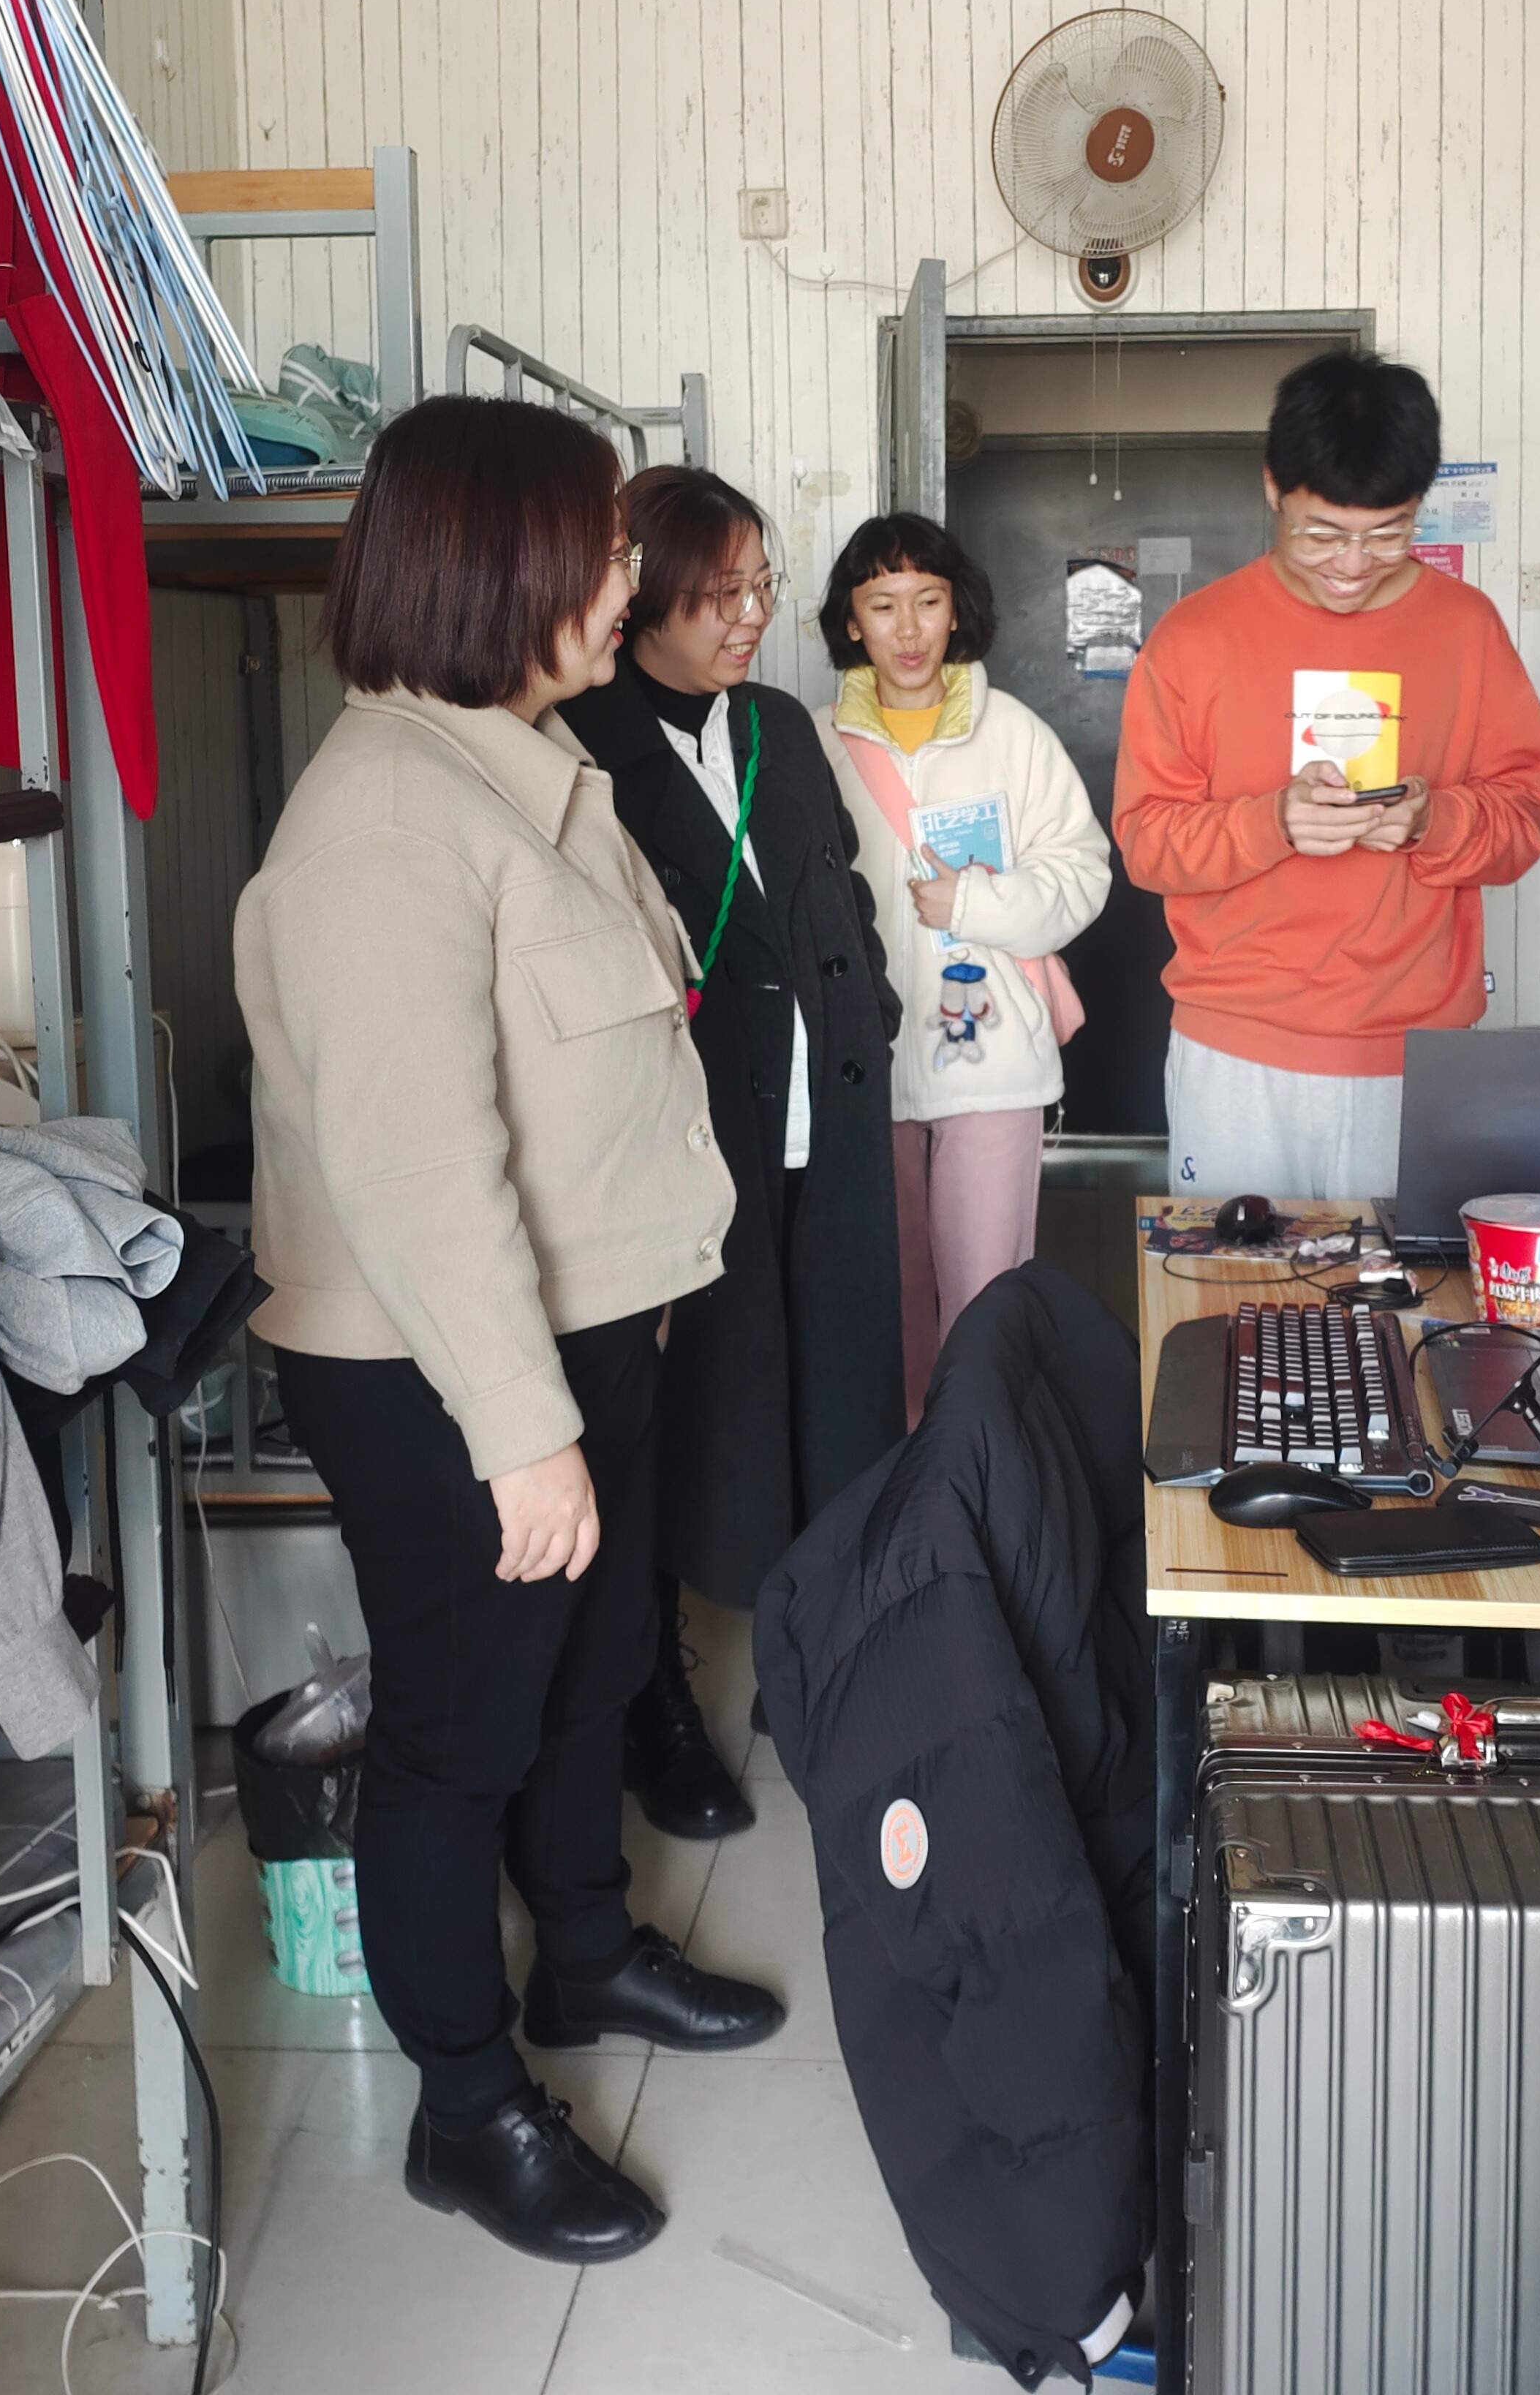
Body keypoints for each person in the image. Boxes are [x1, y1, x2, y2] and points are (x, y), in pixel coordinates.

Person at [234, 399, 784, 2273]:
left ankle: (589, 1953)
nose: (629, 579)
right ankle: (467, 2113)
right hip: (449, 1368)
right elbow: (416, 1168)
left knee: (595, 1661)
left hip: (576, 1328)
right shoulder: (384, 821)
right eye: (604, 548)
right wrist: (520, 1428)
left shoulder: (523, 762)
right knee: (464, 1727)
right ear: (496, 562)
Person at [560, 467, 903, 1839]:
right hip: (699, 1156)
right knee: (687, 1428)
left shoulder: (778, 727)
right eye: (720, 593)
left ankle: (818, 1668)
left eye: (762, 585)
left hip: (830, 1135)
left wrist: (870, 1011)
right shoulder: (582, 750)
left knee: (835, 1408)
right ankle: (655, 1704)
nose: (753, 615)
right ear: (640, 596)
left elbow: (841, 891)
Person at [1112, 352, 1540, 1200]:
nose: (1353, 564)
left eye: (1389, 534)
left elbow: (1522, 824)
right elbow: (1147, 844)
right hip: (1236, 1053)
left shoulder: (1466, 630)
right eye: (1322, 533)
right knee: (1231, 1283)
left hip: (1417, 1053)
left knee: (1405, 1286)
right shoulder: (1194, 638)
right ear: (1273, 489)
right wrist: (1273, 823)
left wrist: (1436, 820)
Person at [817, 513, 1111, 1422]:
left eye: (929, 601)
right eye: (883, 605)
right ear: (852, 620)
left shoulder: (1013, 734)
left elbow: (1084, 873)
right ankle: (910, 1485)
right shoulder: (812, 743)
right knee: (885, 1307)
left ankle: (985, 1472)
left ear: (957, 610)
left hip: (991, 1065)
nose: (908, 630)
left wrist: (974, 906)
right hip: (864, 1067)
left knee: (987, 1302)